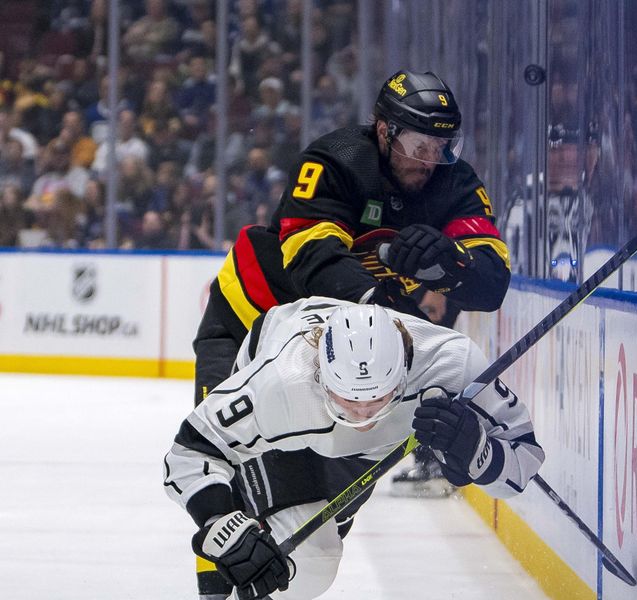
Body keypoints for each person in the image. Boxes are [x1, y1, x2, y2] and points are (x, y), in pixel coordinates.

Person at [191, 70, 511, 598]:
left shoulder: (455, 185)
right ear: (383, 132)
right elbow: (309, 258)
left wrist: (450, 263)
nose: (429, 159)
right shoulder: (336, 160)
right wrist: (386, 305)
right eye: (416, 144)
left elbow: (491, 282)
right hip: (250, 316)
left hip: (342, 348)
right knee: (224, 464)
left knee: (328, 502)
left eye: (441, 146)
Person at [165, 299, 544, 600]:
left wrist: (475, 447)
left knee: (317, 550)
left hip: (361, 452)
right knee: (311, 558)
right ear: (320, 374)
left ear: (404, 374)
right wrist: (219, 523)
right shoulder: (281, 382)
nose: (363, 416)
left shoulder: (451, 364)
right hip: (285, 433)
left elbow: (524, 462)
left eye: (378, 400)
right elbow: (189, 452)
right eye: (346, 400)